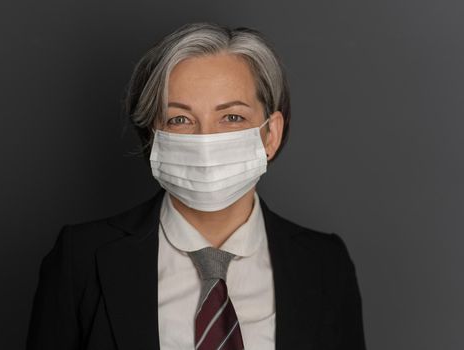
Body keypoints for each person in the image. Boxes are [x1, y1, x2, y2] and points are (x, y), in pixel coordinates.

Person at [26, 22, 366, 350]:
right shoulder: (81, 259)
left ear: (270, 134)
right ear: (153, 137)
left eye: (232, 117)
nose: (205, 141)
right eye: (180, 119)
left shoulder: (324, 265)